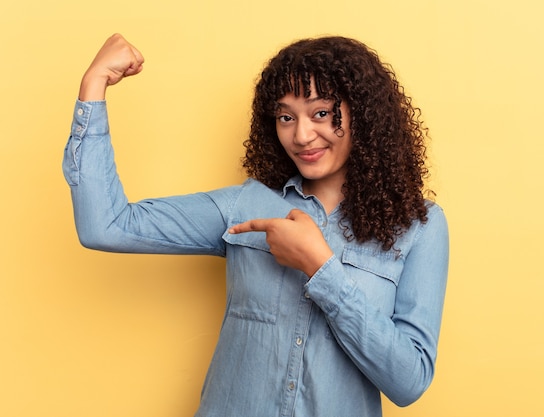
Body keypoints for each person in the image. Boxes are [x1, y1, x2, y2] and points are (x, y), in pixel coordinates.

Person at [63, 33, 449, 417]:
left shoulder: (420, 226)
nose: (300, 135)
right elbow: (107, 225)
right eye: (285, 117)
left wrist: (321, 267)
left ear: (362, 113)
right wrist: (93, 86)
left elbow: (409, 382)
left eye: (320, 113)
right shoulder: (246, 205)